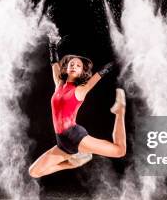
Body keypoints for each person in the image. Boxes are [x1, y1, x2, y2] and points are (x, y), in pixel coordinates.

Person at [28, 37, 127, 178]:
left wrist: (116, 61)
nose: (74, 66)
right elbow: (54, 62)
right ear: (67, 68)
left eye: (78, 66)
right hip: (62, 143)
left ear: (82, 72)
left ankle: (120, 111)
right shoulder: (59, 84)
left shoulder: (80, 89)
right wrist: (52, 44)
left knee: (120, 151)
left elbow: (99, 75)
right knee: (34, 172)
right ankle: (73, 163)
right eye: (71, 64)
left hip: (75, 137)